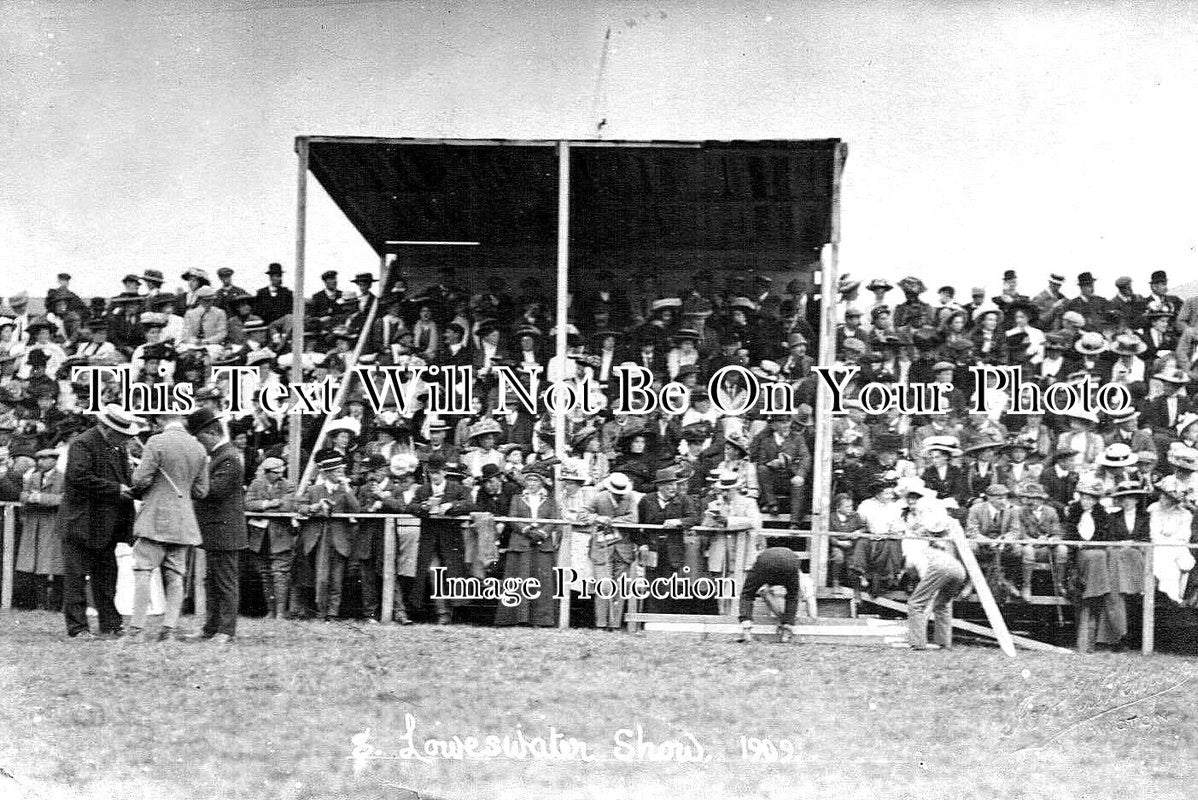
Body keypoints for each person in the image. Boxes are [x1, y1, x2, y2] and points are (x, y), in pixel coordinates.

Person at [58, 404, 142, 639]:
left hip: (106, 524)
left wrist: (133, 487)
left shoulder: (117, 448)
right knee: (76, 577)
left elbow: (123, 479)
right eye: (120, 434)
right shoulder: (82, 444)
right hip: (81, 523)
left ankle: (111, 624)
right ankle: (78, 627)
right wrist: (116, 489)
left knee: (107, 576)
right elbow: (79, 477)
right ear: (106, 428)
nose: (124, 440)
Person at [125, 413, 210, 643]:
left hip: (155, 518)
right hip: (183, 521)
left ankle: (136, 630)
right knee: (175, 576)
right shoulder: (198, 448)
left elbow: (140, 480)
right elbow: (202, 491)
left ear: (161, 421)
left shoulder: (156, 442)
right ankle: (169, 630)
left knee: (143, 571)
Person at [189, 407, 246, 643]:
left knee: (224, 581)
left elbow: (215, 491)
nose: (198, 441)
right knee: (212, 581)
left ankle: (225, 630)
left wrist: (190, 481)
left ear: (211, 432)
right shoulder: (222, 456)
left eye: (199, 436)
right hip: (216, 530)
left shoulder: (230, 457)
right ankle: (212, 628)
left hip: (225, 530)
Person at [295, 455, 361, 622]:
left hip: (339, 539)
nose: (340, 474)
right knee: (322, 577)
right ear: (327, 473)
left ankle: (333, 613)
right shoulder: (314, 490)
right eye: (336, 471)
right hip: (320, 537)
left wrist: (347, 489)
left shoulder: (345, 490)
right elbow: (299, 507)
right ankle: (321, 612)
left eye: (341, 471)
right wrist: (315, 506)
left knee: (337, 578)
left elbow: (357, 509)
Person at [495, 464, 561, 627]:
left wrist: (541, 533)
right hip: (521, 543)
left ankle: (542, 619)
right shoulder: (517, 499)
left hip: (542, 544)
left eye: (535, 480)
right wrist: (526, 530)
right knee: (519, 579)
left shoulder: (550, 501)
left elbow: (553, 520)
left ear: (541, 483)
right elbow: (513, 518)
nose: (531, 484)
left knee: (542, 582)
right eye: (529, 480)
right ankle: (516, 618)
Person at [904, 508, 968, 651]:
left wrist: (911, 576)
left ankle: (917, 643)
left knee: (915, 603)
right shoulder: (944, 543)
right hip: (958, 569)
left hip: (939, 568)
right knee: (943, 604)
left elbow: (912, 566)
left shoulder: (916, 547)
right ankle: (944, 642)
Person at [244, 456, 298, 619]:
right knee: (265, 573)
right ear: (266, 473)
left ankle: (280, 613)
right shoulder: (256, 484)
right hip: (260, 537)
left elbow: (288, 505)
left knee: (280, 573)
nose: (279, 475)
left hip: (281, 536)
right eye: (275, 473)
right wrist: (269, 504)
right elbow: (247, 503)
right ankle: (270, 610)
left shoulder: (288, 485)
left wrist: (261, 507)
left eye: (281, 472)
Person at [16, 448, 65, 611]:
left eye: (46, 459)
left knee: (55, 566)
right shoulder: (33, 477)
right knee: (35, 566)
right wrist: (28, 497)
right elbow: (22, 495)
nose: (41, 462)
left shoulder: (62, 478)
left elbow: (64, 499)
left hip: (53, 525)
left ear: (54, 460)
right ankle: (39, 603)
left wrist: (41, 498)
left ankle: (55, 605)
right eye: (40, 458)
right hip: (35, 524)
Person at [736, 546, 807, 643]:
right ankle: (786, 634)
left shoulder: (761, 558)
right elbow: (792, 596)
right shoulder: (791, 559)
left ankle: (746, 631)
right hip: (790, 563)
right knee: (792, 596)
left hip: (766, 562)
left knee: (747, 594)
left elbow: (749, 594)